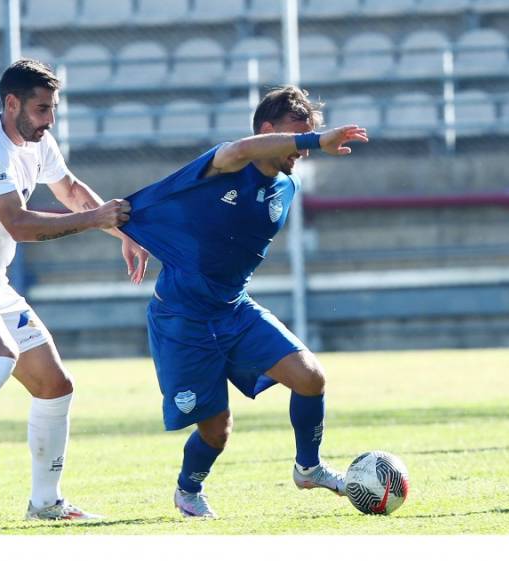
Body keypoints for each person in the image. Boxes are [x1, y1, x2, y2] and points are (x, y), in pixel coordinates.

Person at [0, 59, 149, 521]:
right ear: (12, 103)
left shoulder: (38, 142)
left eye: (53, 109)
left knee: (55, 385)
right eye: (42, 109)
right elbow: (18, 225)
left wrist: (123, 235)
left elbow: (70, 189)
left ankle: (45, 503)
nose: (50, 120)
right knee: (0, 355)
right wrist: (94, 220)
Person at [119, 86, 367, 518]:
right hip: (183, 319)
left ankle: (308, 467)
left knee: (310, 377)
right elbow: (238, 150)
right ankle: (188, 489)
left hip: (234, 309)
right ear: (268, 131)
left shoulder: (285, 189)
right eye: (295, 137)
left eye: (307, 139)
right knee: (216, 431)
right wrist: (316, 140)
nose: (301, 151)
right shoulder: (224, 164)